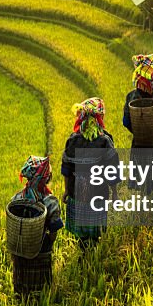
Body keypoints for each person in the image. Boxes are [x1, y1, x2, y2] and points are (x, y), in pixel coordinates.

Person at [61, 97, 119, 248]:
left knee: (81, 232)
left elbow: (66, 169)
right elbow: (111, 170)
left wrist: (66, 190)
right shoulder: (104, 140)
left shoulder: (72, 140)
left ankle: (83, 249)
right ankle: (93, 252)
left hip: (76, 191)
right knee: (96, 232)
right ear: (100, 117)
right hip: (98, 192)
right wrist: (114, 192)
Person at [9, 155, 63, 297]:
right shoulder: (50, 201)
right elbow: (53, 231)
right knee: (41, 283)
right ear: (46, 178)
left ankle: (21, 295)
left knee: (21, 275)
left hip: (20, 246)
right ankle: (40, 299)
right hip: (41, 247)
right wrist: (48, 242)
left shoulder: (16, 198)